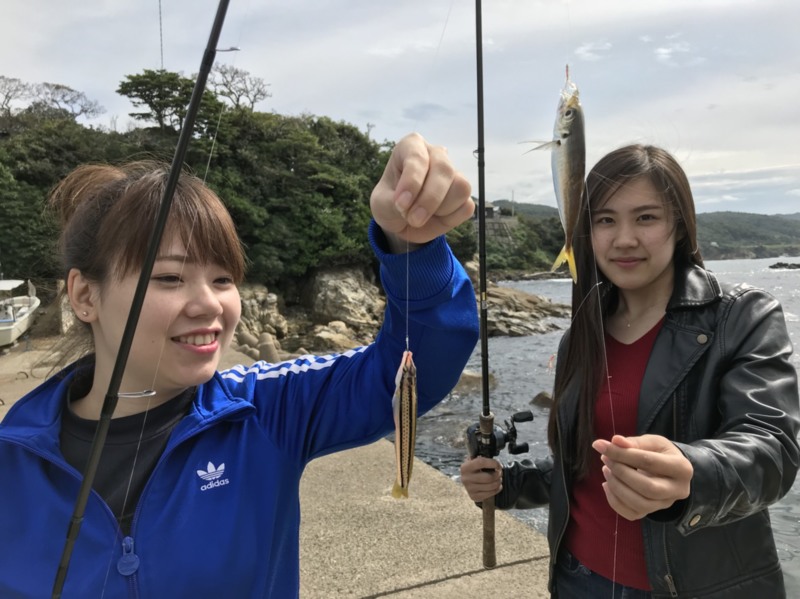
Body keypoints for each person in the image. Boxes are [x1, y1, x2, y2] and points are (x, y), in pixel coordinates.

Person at [0, 133, 479, 598]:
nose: (209, 304)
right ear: (85, 296)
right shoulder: (13, 461)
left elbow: (410, 367)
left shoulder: (265, 409)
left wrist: (411, 246)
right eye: (169, 277)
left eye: (223, 278)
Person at [461, 144, 800, 598]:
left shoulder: (741, 316)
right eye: (605, 220)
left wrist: (691, 473)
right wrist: (508, 485)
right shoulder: (579, 336)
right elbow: (583, 461)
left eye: (646, 218)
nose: (623, 239)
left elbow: (773, 449)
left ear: (678, 224)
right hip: (577, 578)